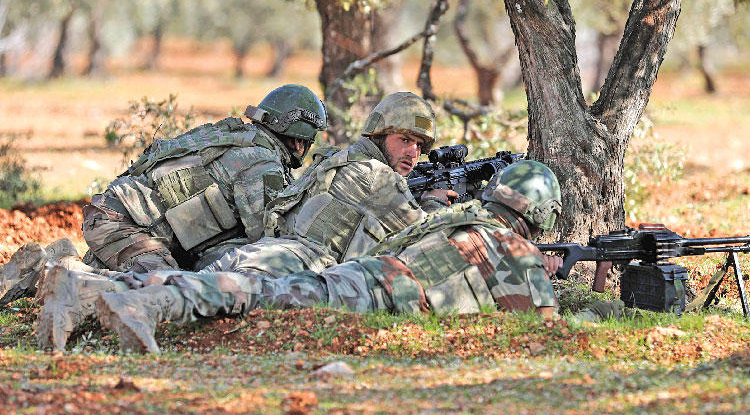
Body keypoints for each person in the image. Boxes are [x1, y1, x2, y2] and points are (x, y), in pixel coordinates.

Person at [35, 91, 454, 350]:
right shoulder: (263, 162)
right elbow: (417, 236)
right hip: (146, 231)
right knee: (172, 287)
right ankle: (82, 291)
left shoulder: (314, 158)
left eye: (419, 145)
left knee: (183, 281)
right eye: (405, 141)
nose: (414, 153)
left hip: (126, 220)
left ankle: (60, 273)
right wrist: (435, 204)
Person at [92, 160, 566, 353]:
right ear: (540, 212)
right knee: (257, 296)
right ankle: (149, 301)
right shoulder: (514, 250)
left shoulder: (456, 219)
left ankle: (104, 291)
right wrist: (555, 279)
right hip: (380, 296)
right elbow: (546, 331)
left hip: (362, 276)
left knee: (261, 292)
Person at [0, 84, 327, 309]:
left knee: (131, 279)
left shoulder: (234, 136)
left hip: (124, 222)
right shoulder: (260, 162)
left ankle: (62, 263)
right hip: (127, 228)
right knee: (164, 291)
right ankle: (41, 271)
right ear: (301, 138)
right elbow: (270, 240)